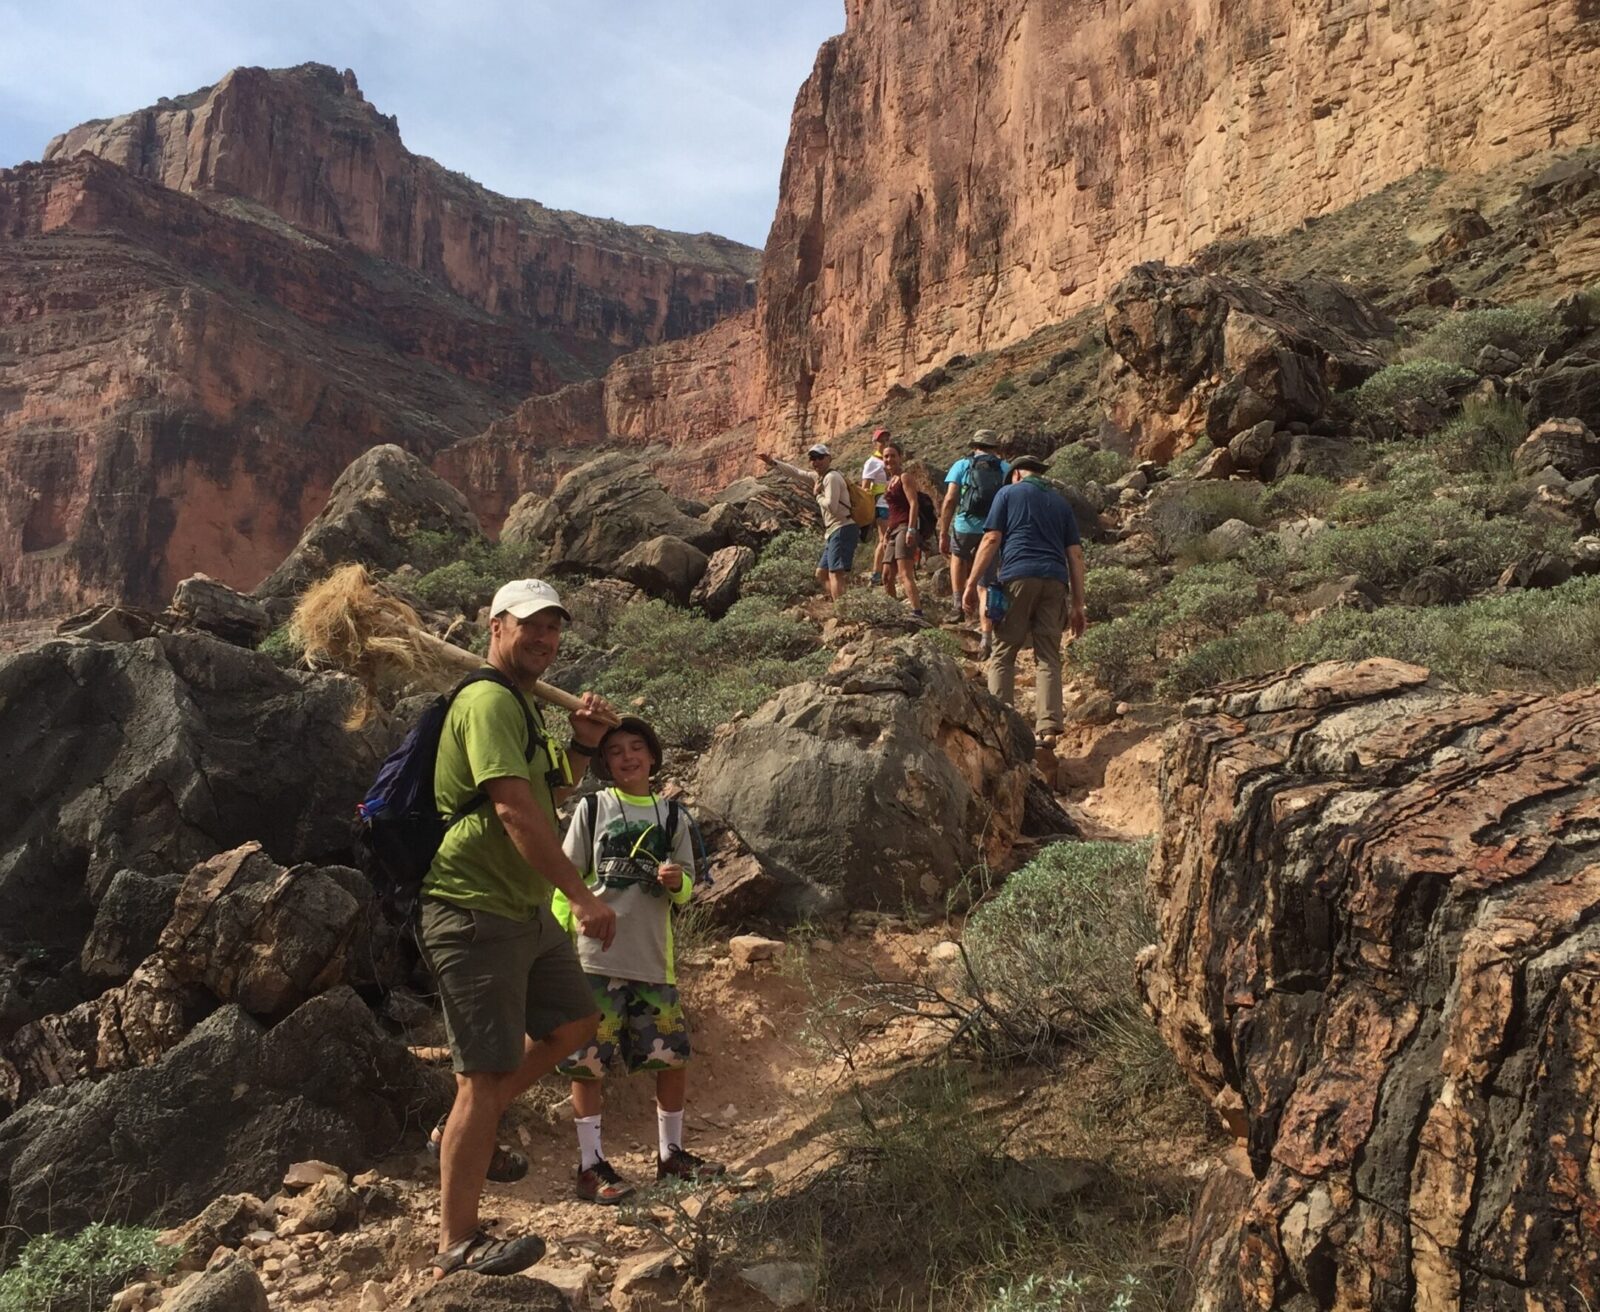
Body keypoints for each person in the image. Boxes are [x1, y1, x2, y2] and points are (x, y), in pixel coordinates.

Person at [419, 578, 620, 1280]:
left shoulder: (522, 706)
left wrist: (585, 746)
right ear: (495, 626)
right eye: (531, 625)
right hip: (474, 909)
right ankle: (457, 1241)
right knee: (485, 1073)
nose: (544, 638)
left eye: (554, 628)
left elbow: (547, 791)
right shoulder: (484, 701)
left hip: (522, 908)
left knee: (575, 1023)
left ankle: (462, 1128)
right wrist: (583, 895)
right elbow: (512, 813)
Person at [552, 716, 725, 1203]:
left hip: (652, 961)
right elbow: (566, 878)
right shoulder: (592, 809)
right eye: (615, 751)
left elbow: (690, 889)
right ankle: (591, 1165)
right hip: (595, 962)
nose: (627, 757)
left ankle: (671, 1155)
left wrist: (678, 883)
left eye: (636, 748)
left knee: (670, 1057)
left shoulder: (673, 817)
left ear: (652, 756)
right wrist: (567, 934)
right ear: (605, 763)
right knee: (588, 1063)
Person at [961, 457, 1087, 745]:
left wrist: (971, 583)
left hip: (1017, 575)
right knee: (1048, 655)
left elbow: (992, 539)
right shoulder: (1061, 504)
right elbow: (1076, 555)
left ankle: (1000, 726)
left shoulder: (1007, 494)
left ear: (1016, 474)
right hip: (1055, 581)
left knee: (1004, 651)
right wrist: (1078, 604)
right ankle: (1048, 728)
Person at [939, 430, 1010, 657]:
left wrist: (943, 531)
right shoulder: (1005, 468)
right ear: (994, 447)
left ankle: (957, 605)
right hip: (993, 528)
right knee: (985, 584)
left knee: (957, 557)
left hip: (964, 526)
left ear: (975, 445)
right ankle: (986, 638)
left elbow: (950, 499)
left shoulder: (961, 465)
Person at [757, 443, 858, 600]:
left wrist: (817, 495)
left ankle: (843, 609)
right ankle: (842, 602)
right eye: (812, 458)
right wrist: (772, 462)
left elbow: (831, 506)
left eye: (819, 457)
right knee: (821, 573)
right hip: (833, 531)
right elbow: (796, 472)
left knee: (835, 573)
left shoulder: (831, 477)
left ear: (829, 458)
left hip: (842, 528)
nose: (815, 461)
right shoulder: (818, 477)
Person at [880, 439, 935, 623]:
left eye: (892, 456)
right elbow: (893, 510)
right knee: (886, 575)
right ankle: (892, 611)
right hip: (894, 529)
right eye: (886, 456)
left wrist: (912, 529)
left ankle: (917, 612)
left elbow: (913, 504)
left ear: (900, 457)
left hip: (905, 528)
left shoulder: (905, 477)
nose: (889, 459)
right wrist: (887, 531)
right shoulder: (889, 482)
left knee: (905, 572)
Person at [861, 428, 892, 585]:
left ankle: (887, 570)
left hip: (893, 503)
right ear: (875, 443)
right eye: (881, 439)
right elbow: (865, 486)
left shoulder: (890, 459)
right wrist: (869, 506)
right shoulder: (872, 462)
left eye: (887, 439)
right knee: (884, 538)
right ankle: (877, 574)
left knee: (890, 537)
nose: (885, 442)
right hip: (881, 503)